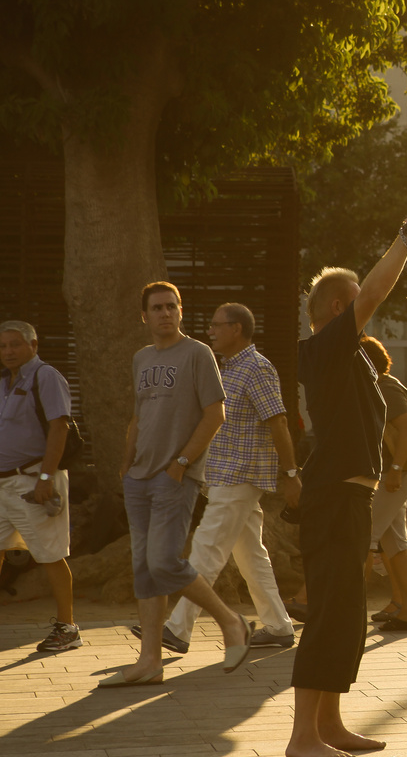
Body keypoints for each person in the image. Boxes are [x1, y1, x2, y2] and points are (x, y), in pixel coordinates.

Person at [290, 195, 407, 757]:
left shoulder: (350, 355)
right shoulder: (324, 348)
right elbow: (376, 289)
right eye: (355, 306)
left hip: (352, 497)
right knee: (330, 612)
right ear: (335, 308)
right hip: (332, 496)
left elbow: (371, 294)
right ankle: (303, 736)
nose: (367, 312)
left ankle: (329, 726)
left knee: (347, 616)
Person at [104, 282, 253, 687]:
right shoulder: (141, 358)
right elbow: (138, 415)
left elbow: (215, 414)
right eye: (157, 308)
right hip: (139, 478)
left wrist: (183, 461)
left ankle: (231, 622)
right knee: (143, 569)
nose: (165, 313)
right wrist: (126, 462)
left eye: (172, 306)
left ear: (181, 312)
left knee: (164, 562)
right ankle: (150, 660)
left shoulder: (198, 354)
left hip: (176, 476)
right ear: (145, 316)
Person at [158, 303, 300, 653]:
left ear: (236, 329)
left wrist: (292, 473)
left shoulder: (256, 368)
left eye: (216, 325)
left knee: (206, 550)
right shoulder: (226, 369)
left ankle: (177, 629)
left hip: (241, 476)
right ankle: (279, 626)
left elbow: (278, 421)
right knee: (251, 556)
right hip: (224, 476)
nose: (210, 331)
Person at [0, 320, 80, 652]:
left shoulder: (46, 376)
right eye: (3, 346)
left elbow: (59, 427)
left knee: (50, 554)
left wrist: (46, 478)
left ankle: (68, 627)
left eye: (15, 344)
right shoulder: (5, 382)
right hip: (3, 484)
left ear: (33, 345)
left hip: (35, 481)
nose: (8, 351)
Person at [360, 336, 407, 632]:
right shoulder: (375, 386)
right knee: (394, 541)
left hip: (392, 476)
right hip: (389, 475)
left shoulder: (385, 386)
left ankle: (348, 612)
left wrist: (396, 469)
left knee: (362, 538)